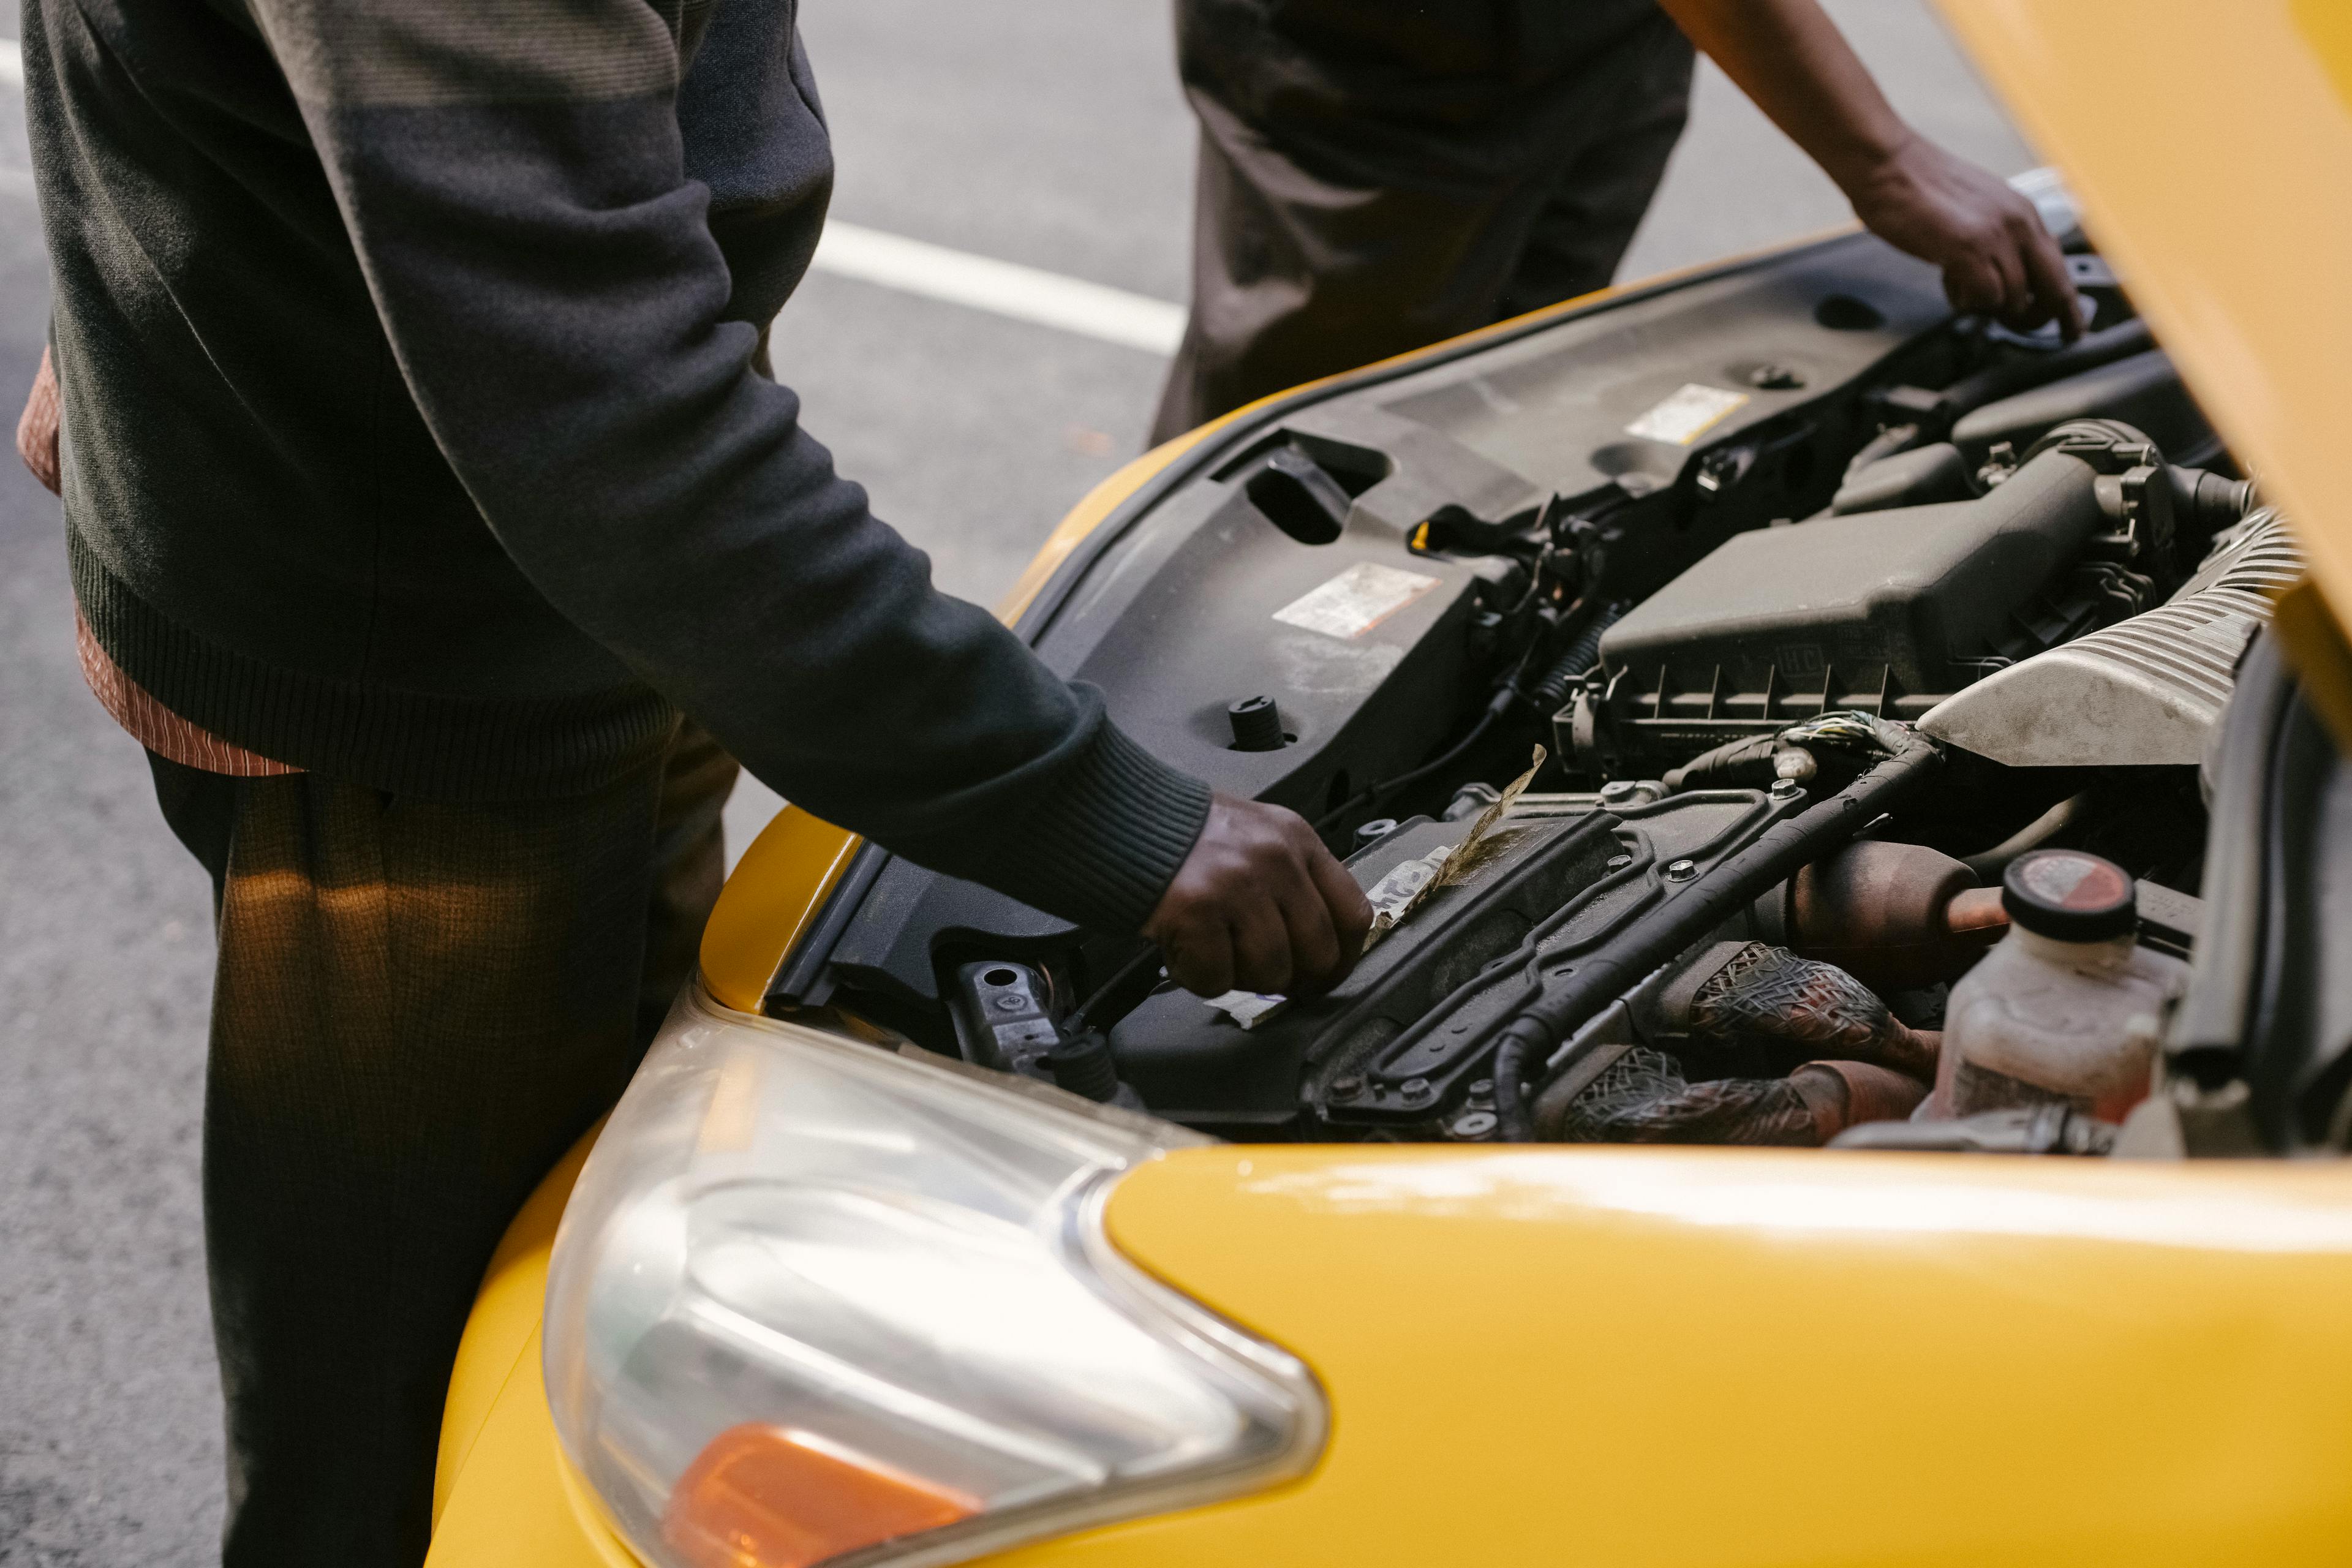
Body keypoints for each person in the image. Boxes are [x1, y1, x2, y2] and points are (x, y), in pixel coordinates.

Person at [12, 3, 1370, 1562]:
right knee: (409, 1394)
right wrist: (1092, 807)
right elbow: (605, 418)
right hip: (426, 692)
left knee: (569, 1219)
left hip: (544, 586)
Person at [1152, 0, 2083, 442]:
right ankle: (1142, 774)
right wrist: (1882, 158)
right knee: (1298, 446)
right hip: (1385, 63)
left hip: (1618, 27)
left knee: (1504, 388)